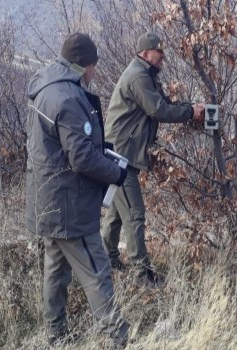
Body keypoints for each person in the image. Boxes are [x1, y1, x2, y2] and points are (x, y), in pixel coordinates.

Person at [25, 32, 129, 346]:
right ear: (83, 65)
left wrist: (98, 145)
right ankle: (117, 337)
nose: (95, 71)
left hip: (47, 199)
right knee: (96, 270)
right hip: (70, 205)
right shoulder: (68, 98)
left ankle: (56, 335)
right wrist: (115, 173)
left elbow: (57, 146)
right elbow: (81, 158)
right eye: (94, 66)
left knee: (55, 272)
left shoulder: (45, 87)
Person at [101, 32, 205, 284]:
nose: (163, 57)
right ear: (146, 54)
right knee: (134, 212)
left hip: (119, 152)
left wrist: (190, 108)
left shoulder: (144, 74)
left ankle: (107, 261)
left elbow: (164, 103)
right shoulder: (138, 76)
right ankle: (141, 274)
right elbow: (158, 110)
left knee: (116, 211)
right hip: (121, 156)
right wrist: (191, 112)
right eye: (159, 53)